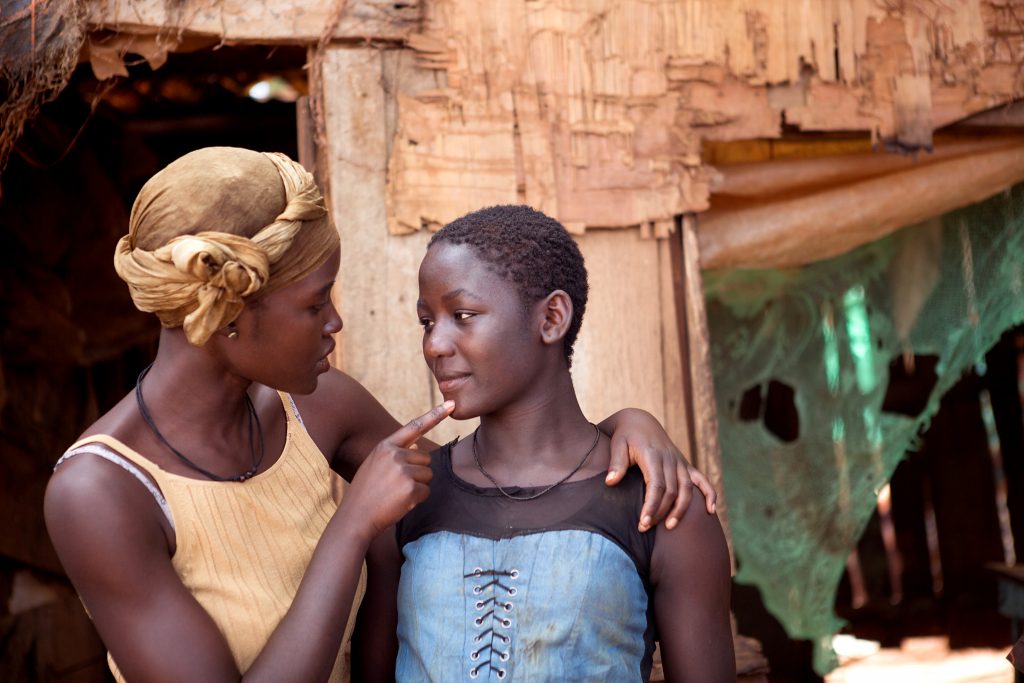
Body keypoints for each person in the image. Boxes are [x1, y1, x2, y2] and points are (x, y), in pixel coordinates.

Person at [43, 147, 716, 683]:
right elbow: (389, 513)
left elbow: (507, 468)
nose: (337, 321)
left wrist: (631, 425)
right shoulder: (100, 493)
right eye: (314, 304)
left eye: (460, 316)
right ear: (229, 319)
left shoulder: (317, 407)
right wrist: (351, 524)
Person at [371, 205, 735, 681]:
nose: (435, 344)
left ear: (552, 318)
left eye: (463, 315)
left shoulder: (659, 507)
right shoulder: (406, 497)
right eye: (427, 321)